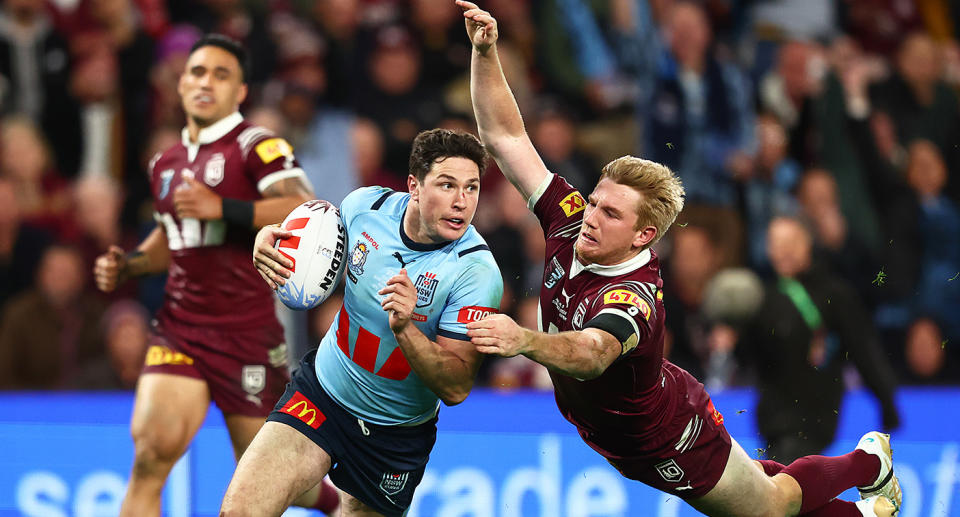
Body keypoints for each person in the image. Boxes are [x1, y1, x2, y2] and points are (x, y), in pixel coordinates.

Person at [457, 2, 901, 516]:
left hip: (669, 437)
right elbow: (507, 138)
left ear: (644, 235)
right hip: (609, 428)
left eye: (611, 214)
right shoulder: (572, 218)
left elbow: (594, 352)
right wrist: (486, 53)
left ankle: (868, 464)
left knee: (774, 506)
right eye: (596, 201)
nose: (592, 217)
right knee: (768, 493)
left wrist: (524, 340)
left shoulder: (633, 298)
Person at [92, 34, 337, 517]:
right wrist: (131, 264)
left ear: (240, 91)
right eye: (197, 72)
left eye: (220, 75)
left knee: (271, 481)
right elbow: (175, 238)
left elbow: (301, 202)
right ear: (181, 84)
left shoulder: (256, 146)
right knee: (149, 459)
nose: (205, 82)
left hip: (245, 334)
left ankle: (337, 501)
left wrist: (220, 207)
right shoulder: (165, 162)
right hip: (180, 329)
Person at [221, 127, 503, 516]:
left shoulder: (476, 271)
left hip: (394, 437)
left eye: (471, 188)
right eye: (447, 184)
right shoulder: (363, 207)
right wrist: (267, 243)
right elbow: (313, 246)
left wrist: (405, 329)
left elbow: (455, 387)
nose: (461, 202)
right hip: (321, 397)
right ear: (414, 186)